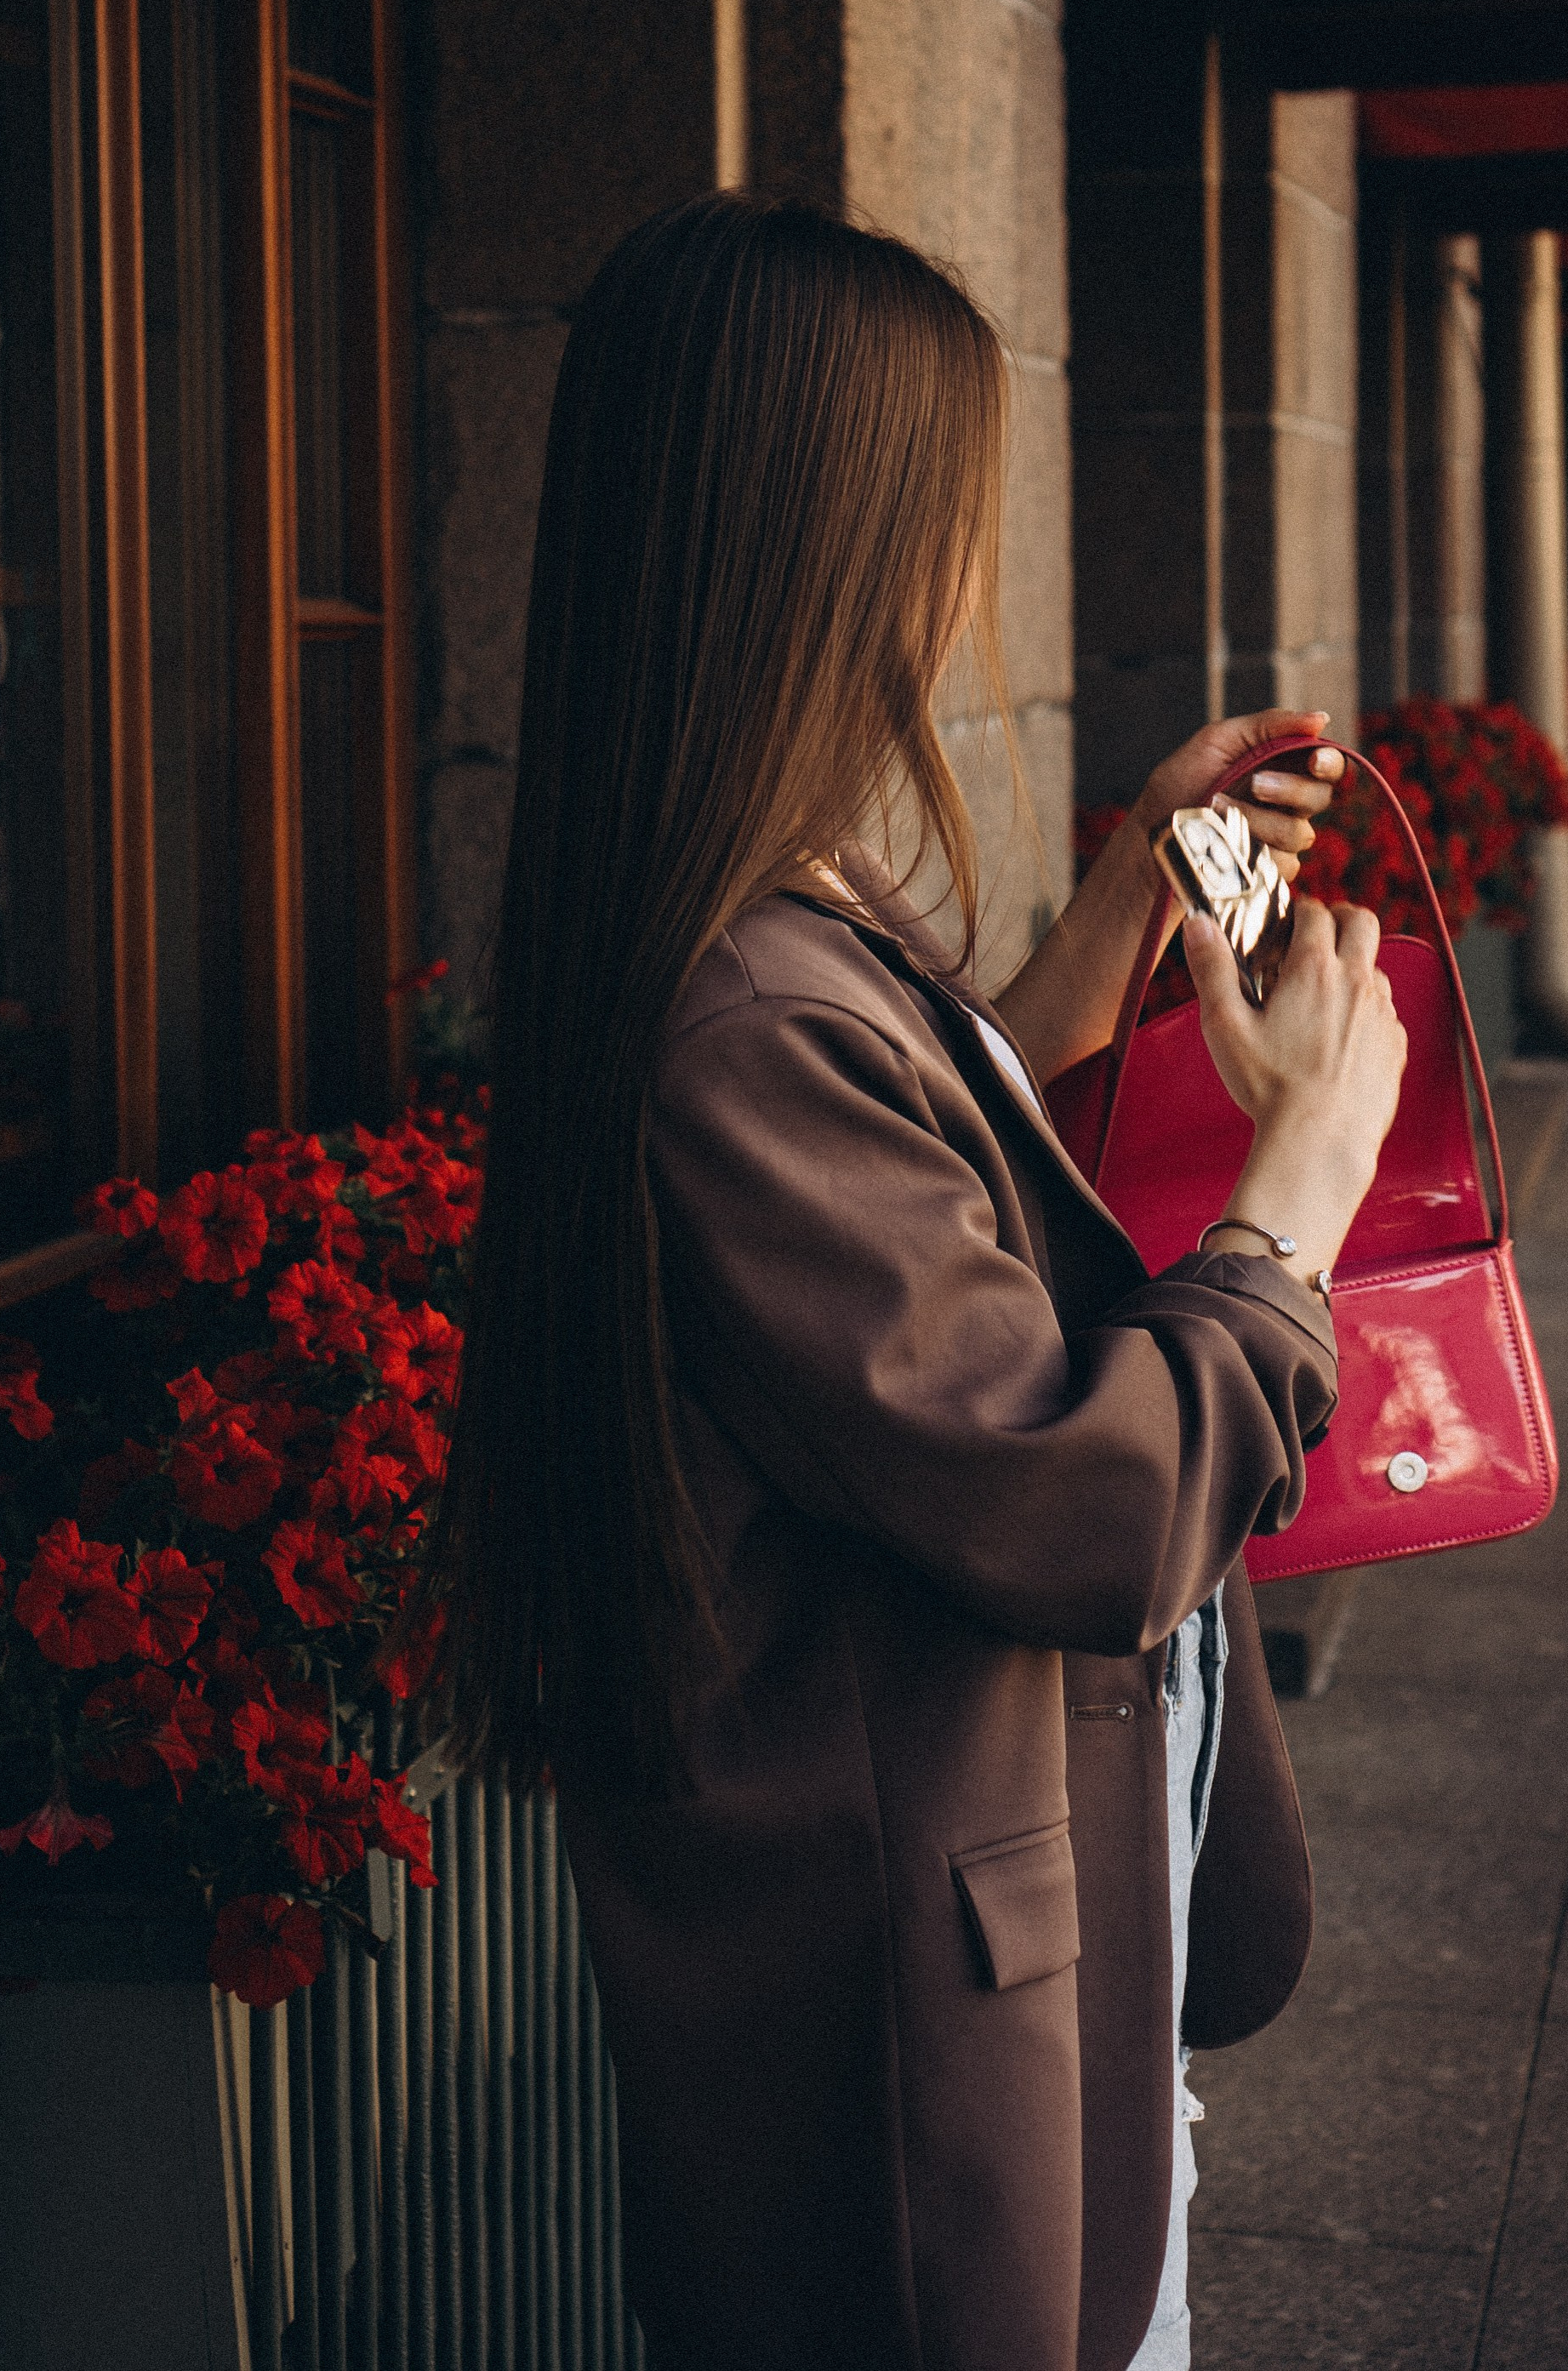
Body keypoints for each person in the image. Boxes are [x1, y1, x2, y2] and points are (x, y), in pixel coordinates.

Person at [429, 197, 1407, 2371]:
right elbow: (1073, 1498)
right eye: (944, 502)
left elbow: (914, 1218)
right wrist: (1295, 1196)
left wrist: (1114, 919)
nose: (967, 566)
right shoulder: (744, 1005)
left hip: (1003, 1934)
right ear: (826, 540)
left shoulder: (777, 916)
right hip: (916, 2017)